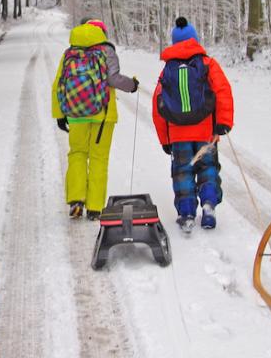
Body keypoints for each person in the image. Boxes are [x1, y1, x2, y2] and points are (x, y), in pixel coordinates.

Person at [151, 17, 234, 233]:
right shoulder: (207, 64)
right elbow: (223, 91)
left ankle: (187, 213)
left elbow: (158, 103)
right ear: (195, 39)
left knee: (183, 172)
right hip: (205, 132)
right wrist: (223, 123)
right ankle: (208, 206)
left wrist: (165, 139)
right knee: (207, 167)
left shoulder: (167, 70)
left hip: (178, 135)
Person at [52, 18, 138, 220]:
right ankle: (95, 207)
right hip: (103, 115)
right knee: (99, 159)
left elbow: (58, 85)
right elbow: (114, 79)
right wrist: (132, 85)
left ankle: (76, 200)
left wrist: (59, 115)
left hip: (75, 115)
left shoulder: (69, 54)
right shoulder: (107, 51)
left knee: (77, 154)